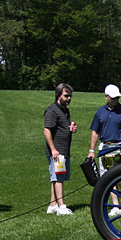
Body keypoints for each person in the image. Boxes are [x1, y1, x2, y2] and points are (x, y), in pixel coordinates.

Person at [88, 84, 121, 176]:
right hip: (104, 147)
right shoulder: (100, 111)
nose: (116, 100)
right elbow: (95, 132)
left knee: (120, 176)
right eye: (113, 98)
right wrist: (91, 150)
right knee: (105, 176)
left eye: (117, 97)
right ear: (106, 97)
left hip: (119, 146)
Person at [43, 83, 75, 215]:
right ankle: (62, 207)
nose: (69, 98)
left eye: (70, 96)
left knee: (56, 177)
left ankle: (52, 205)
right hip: (57, 150)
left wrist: (70, 130)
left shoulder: (64, 110)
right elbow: (46, 130)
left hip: (64, 149)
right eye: (66, 96)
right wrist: (53, 149)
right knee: (58, 178)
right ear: (58, 95)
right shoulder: (52, 110)